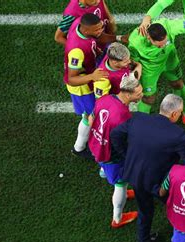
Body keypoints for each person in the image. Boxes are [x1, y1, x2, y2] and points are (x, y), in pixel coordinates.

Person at [110, 94, 185, 242]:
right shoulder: (178, 134)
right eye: (180, 113)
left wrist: (127, 155)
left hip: (136, 176)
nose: (179, 116)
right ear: (174, 114)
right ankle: (184, 235)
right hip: (159, 182)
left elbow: (115, 134)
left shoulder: (138, 118)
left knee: (145, 211)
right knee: (177, 206)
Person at [128, 18, 185, 133]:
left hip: (170, 60)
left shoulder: (170, 26)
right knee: (149, 98)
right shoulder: (135, 42)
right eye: (159, 46)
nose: (162, 46)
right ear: (149, 37)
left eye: (165, 43)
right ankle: (140, 128)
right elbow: (132, 62)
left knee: (178, 84)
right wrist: (136, 71)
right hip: (150, 69)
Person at [88, 76, 143, 228]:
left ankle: (104, 172)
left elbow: (91, 119)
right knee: (121, 183)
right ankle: (117, 219)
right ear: (128, 94)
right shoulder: (123, 115)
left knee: (105, 166)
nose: (141, 95)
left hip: (95, 145)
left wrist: (99, 137)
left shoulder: (105, 99)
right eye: (138, 93)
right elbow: (123, 143)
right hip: (110, 156)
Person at [64, 13, 109, 159]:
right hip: (82, 89)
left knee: (89, 115)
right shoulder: (76, 51)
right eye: (97, 30)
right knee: (91, 116)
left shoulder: (81, 28)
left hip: (87, 80)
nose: (100, 31)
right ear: (86, 30)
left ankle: (81, 146)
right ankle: (79, 148)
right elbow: (71, 78)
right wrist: (92, 77)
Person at [55, 0, 126, 46]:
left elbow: (103, 7)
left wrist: (110, 20)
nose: (98, 1)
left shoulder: (95, 1)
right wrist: (77, 47)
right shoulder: (72, 13)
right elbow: (58, 37)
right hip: (91, 45)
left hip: (101, 36)